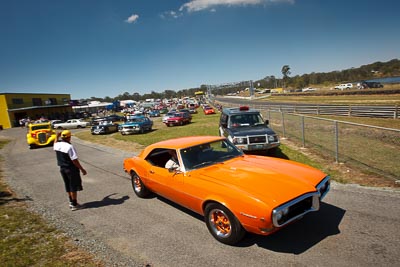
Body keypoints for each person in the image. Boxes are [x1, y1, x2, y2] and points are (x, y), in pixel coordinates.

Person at [53, 130, 87, 211]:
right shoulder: (69, 147)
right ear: (69, 137)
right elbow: (74, 160)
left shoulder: (57, 144)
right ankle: (74, 205)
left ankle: (71, 201)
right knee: (73, 186)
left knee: (68, 185)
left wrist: (56, 136)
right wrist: (82, 169)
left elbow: (54, 144)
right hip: (71, 169)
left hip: (62, 169)